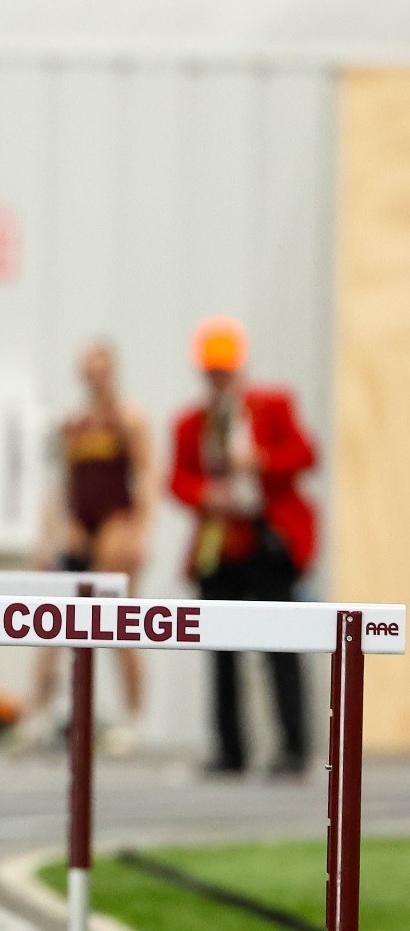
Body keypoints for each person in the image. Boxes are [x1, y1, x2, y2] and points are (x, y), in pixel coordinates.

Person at [168, 316, 317, 778]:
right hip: (221, 546)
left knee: (282, 646)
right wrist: (205, 495)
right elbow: (178, 479)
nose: (219, 379)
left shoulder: (271, 406)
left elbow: (307, 455)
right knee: (220, 649)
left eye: (225, 370)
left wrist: (261, 460)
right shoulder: (192, 422)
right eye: (212, 372)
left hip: (267, 542)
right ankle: (231, 750)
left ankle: (294, 746)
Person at [22, 340, 150, 755]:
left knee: (122, 625)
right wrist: (46, 539)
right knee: (53, 624)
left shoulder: (128, 420)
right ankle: (38, 712)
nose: (94, 377)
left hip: (114, 527)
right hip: (79, 528)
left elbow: (148, 475)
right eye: (88, 370)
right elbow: (59, 485)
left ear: (112, 371)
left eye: (101, 369)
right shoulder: (73, 425)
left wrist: (139, 530)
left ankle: (133, 718)